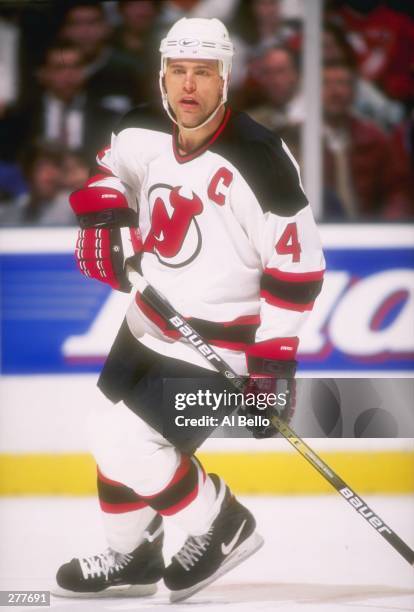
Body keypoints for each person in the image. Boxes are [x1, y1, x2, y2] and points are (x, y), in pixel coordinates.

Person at [53, 17, 325, 603]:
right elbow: (112, 176)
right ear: (162, 76)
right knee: (109, 439)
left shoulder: (260, 158)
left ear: (226, 78)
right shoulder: (140, 130)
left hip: (219, 342)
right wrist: (104, 213)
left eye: (203, 72)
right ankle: (133, 555)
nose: (189, 85)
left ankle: (223, 526)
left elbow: (297, 269)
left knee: (131, 447)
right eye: (178, 71)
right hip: (150, 318)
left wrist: (271, 362)